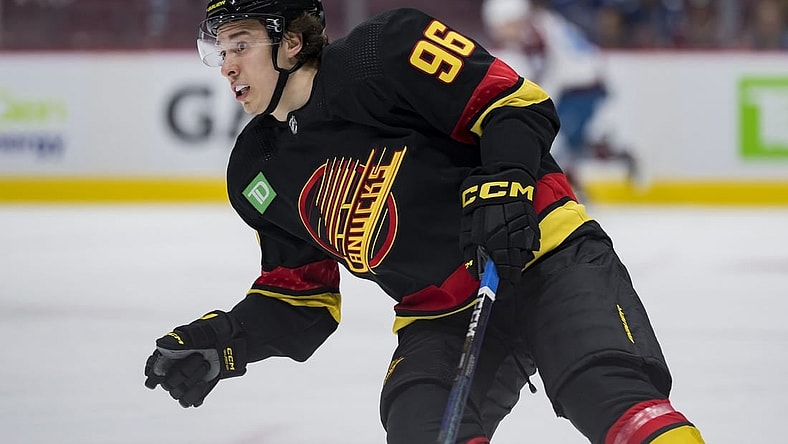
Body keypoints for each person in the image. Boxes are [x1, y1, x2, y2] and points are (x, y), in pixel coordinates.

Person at [143, 1, 705, 443]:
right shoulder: (255, 169)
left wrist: (505, 181)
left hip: (546, 258)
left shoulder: (383, 51)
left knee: (609, 396)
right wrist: (226, 341)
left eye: (241, 44)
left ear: (291, 41)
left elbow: (515, 104)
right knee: (419, 425)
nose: (228, 65)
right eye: (221, 49)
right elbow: (302, 301)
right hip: (439, 317)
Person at [481, 0, 638, 196]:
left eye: (501, 26)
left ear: (512, 20)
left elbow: (542, 76)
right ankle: (614, 156)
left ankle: (567, 192)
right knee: (571, 141)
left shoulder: (533, 36)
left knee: (555, 142)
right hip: (583, 83)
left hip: (581, 87)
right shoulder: (540, 24)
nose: (498, 33)